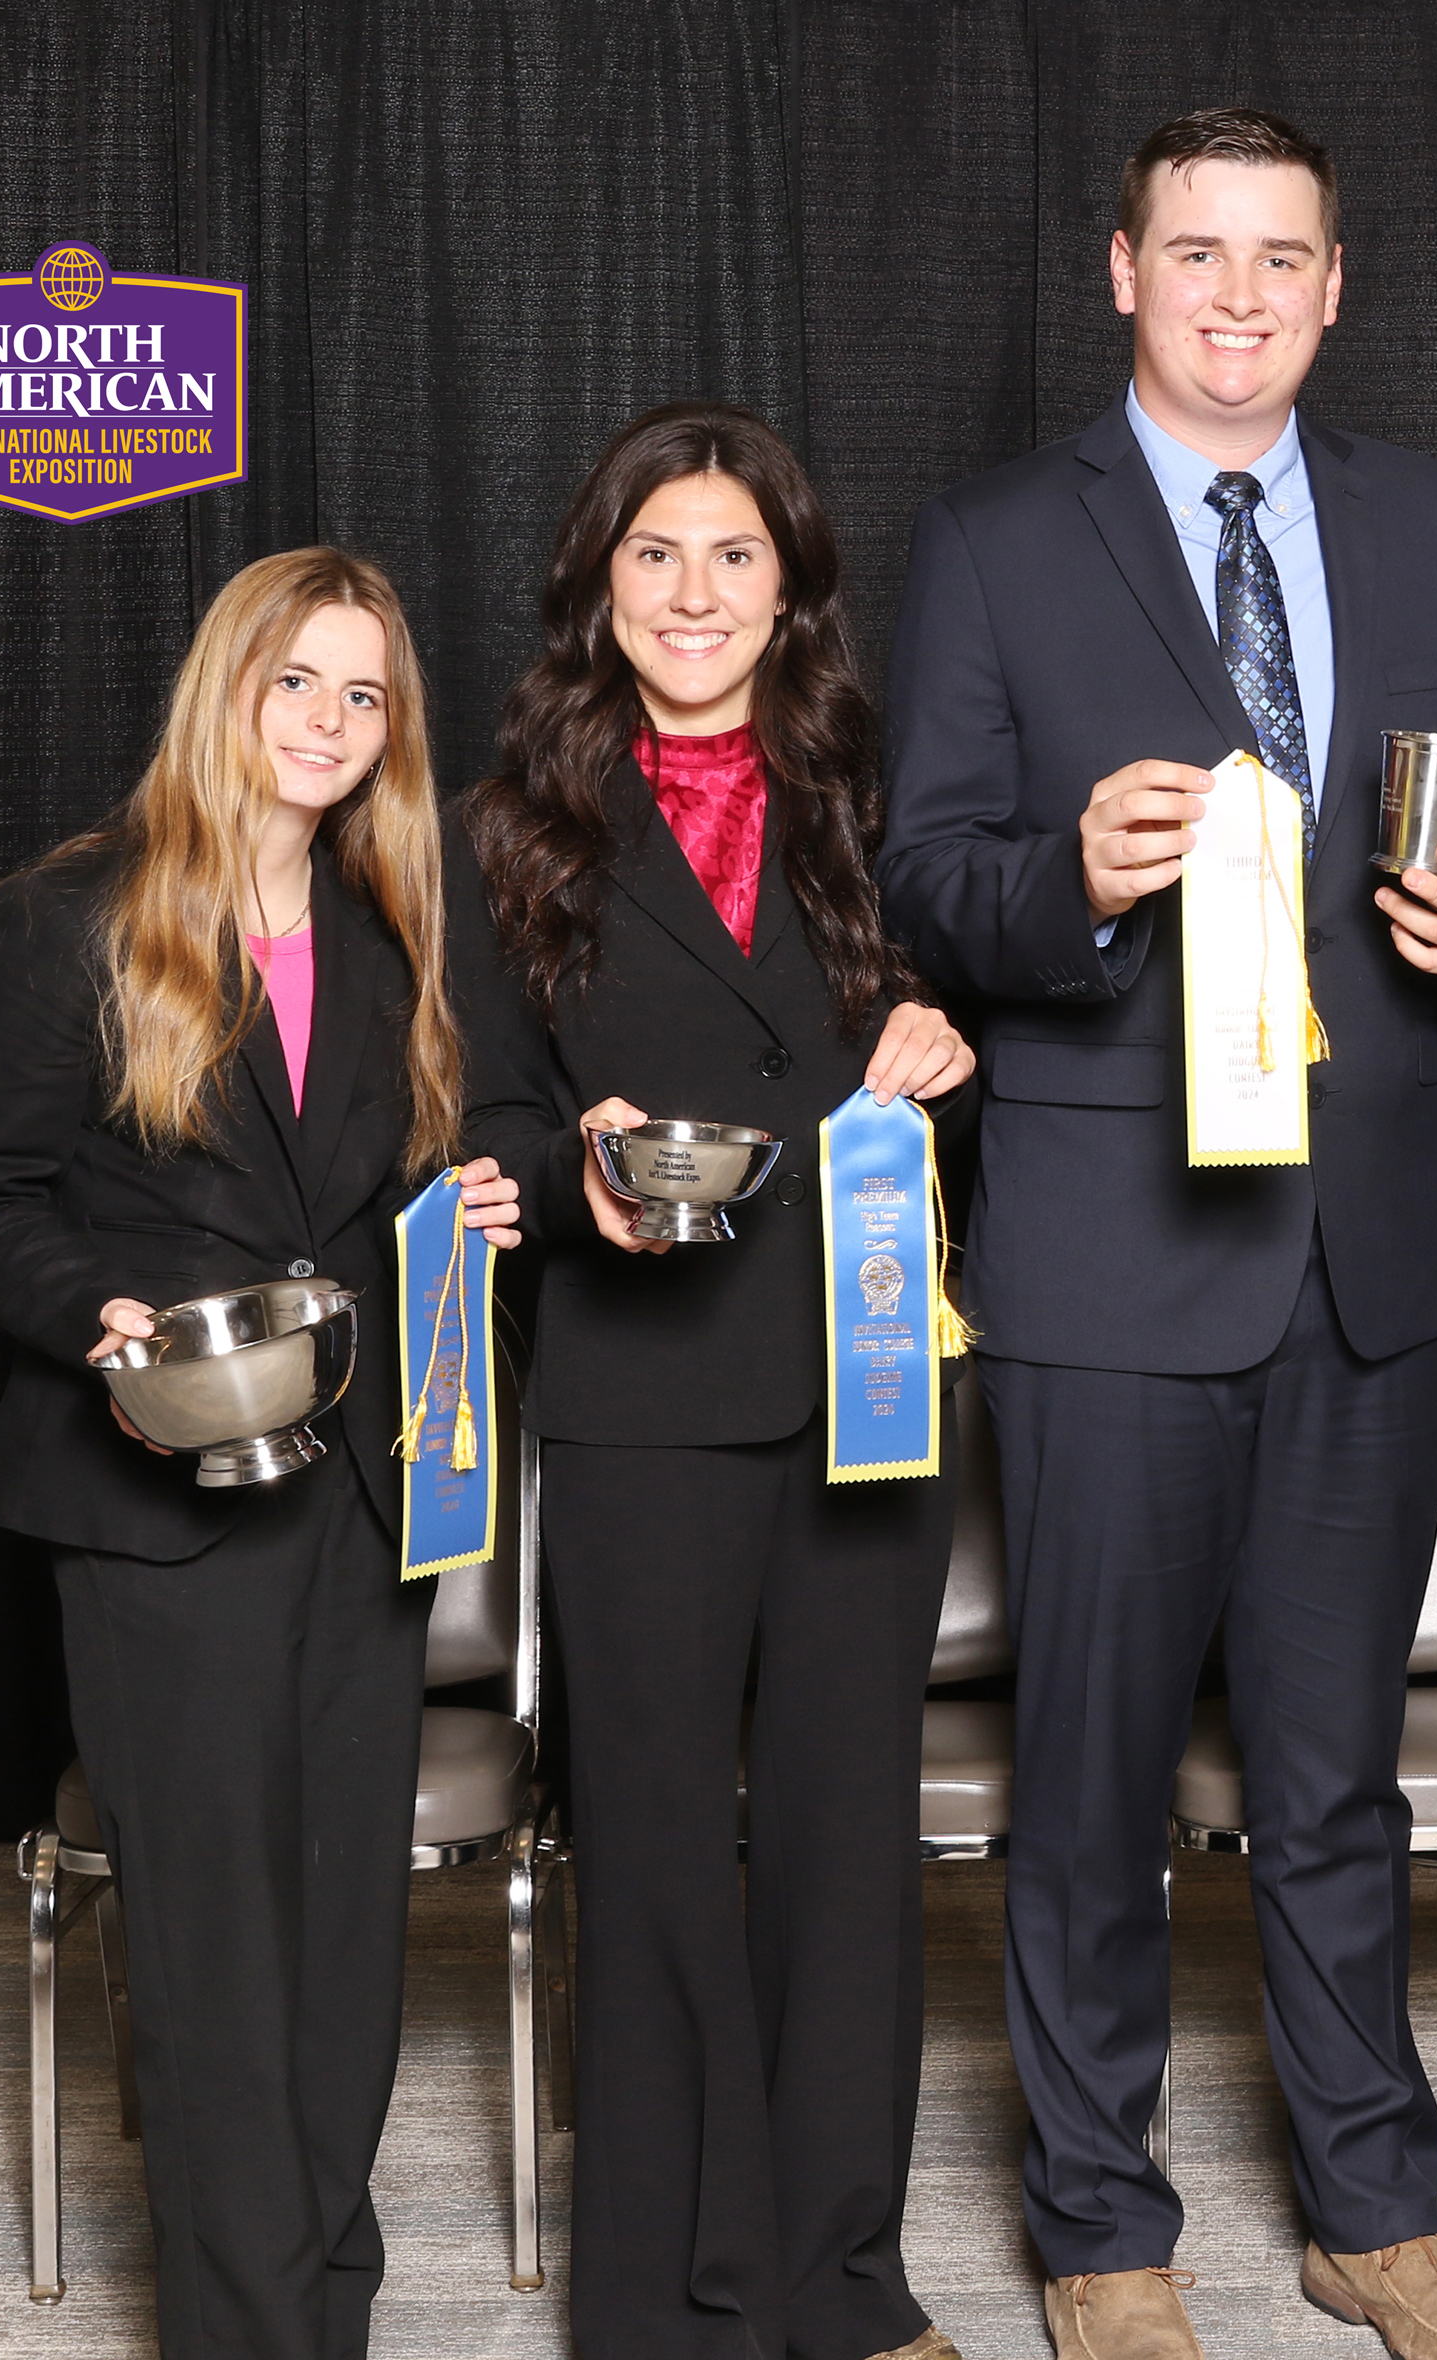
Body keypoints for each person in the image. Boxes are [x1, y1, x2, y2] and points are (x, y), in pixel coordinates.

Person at [877, 108, 1437, 2360]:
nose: (1241, 294)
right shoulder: (993, 542)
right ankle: (1102, 2231)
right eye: (1198, 253)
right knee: (1087, 1774)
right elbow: (929, 884)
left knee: (1332, 1760)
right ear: (1121, 271)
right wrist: (1066, 873)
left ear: (1337, 286)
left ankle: (1377, 2204)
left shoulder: (1435, 526)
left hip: (1369, 1245)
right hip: (1108, 1245)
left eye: (1282, 258)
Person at [0, 547, 521, 2360]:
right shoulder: (75, 919)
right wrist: (95, 1313)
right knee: (214, 1956)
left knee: (345, 1941)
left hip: (358, 1492)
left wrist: (477, 1195)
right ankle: (245, 2331)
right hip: (151, 1496)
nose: (332, 724)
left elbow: (424, 1155)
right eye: (299, 684)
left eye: (366, 696)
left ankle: (314, 2310)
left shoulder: (400, 928)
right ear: (227, 691)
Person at [451, 401, 975, 2360]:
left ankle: (844, 2279)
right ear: (604, 582)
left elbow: (951, 1006)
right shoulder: (507, 820)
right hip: (638, 1387)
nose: (696, 592)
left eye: (737, 556)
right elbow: (482, 1105)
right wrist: (573, 1180)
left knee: (849, 1838)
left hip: (864, 1380)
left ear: (791, 588)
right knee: (659, 1839)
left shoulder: (869, 789)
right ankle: (674, 2299)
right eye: (658, 553)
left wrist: (938, 1044)